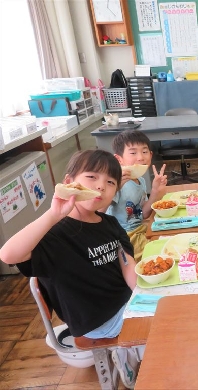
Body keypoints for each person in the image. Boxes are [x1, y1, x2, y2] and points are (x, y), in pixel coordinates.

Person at [0, 149, 141, 388]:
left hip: (125, 304)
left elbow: (126, 264)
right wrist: (54, 214)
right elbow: (8, 255)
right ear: (69, 183)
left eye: (110, 182)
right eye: (91, 177)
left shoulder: (110, 223)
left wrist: (143, 294)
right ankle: (134, 359)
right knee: (161, 331)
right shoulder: (56, 233)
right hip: (97, 320)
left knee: (168, 307)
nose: (100, 187)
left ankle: (130, 354)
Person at [106, 130, 168, 263]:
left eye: (144, 152)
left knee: (170, 236)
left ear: (151, 155)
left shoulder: (141, 180)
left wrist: (155, 192)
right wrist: (114, 188)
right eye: (133, 153)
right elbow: (98, 213)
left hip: (140, 228)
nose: (140, 157)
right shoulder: (115, 182)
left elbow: (143, 214)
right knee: (162, 255)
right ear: (119, 159)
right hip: (124, 237)